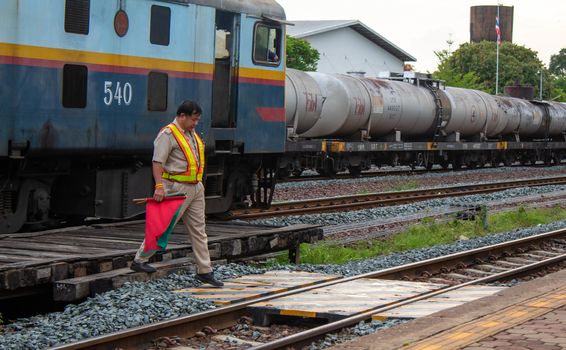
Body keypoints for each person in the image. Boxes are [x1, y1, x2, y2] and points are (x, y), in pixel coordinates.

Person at [131, 100, 224, 287]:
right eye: (193, 119)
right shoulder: (167, 134)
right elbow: (157, 162)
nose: (195, 123)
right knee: (163, 225)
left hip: (196, 188)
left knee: (199, 230)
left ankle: (205, 271)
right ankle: (139, 260)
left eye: (197, 120)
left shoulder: (191, 134)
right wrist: (159, 186)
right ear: (182, 116)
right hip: (176, 188)